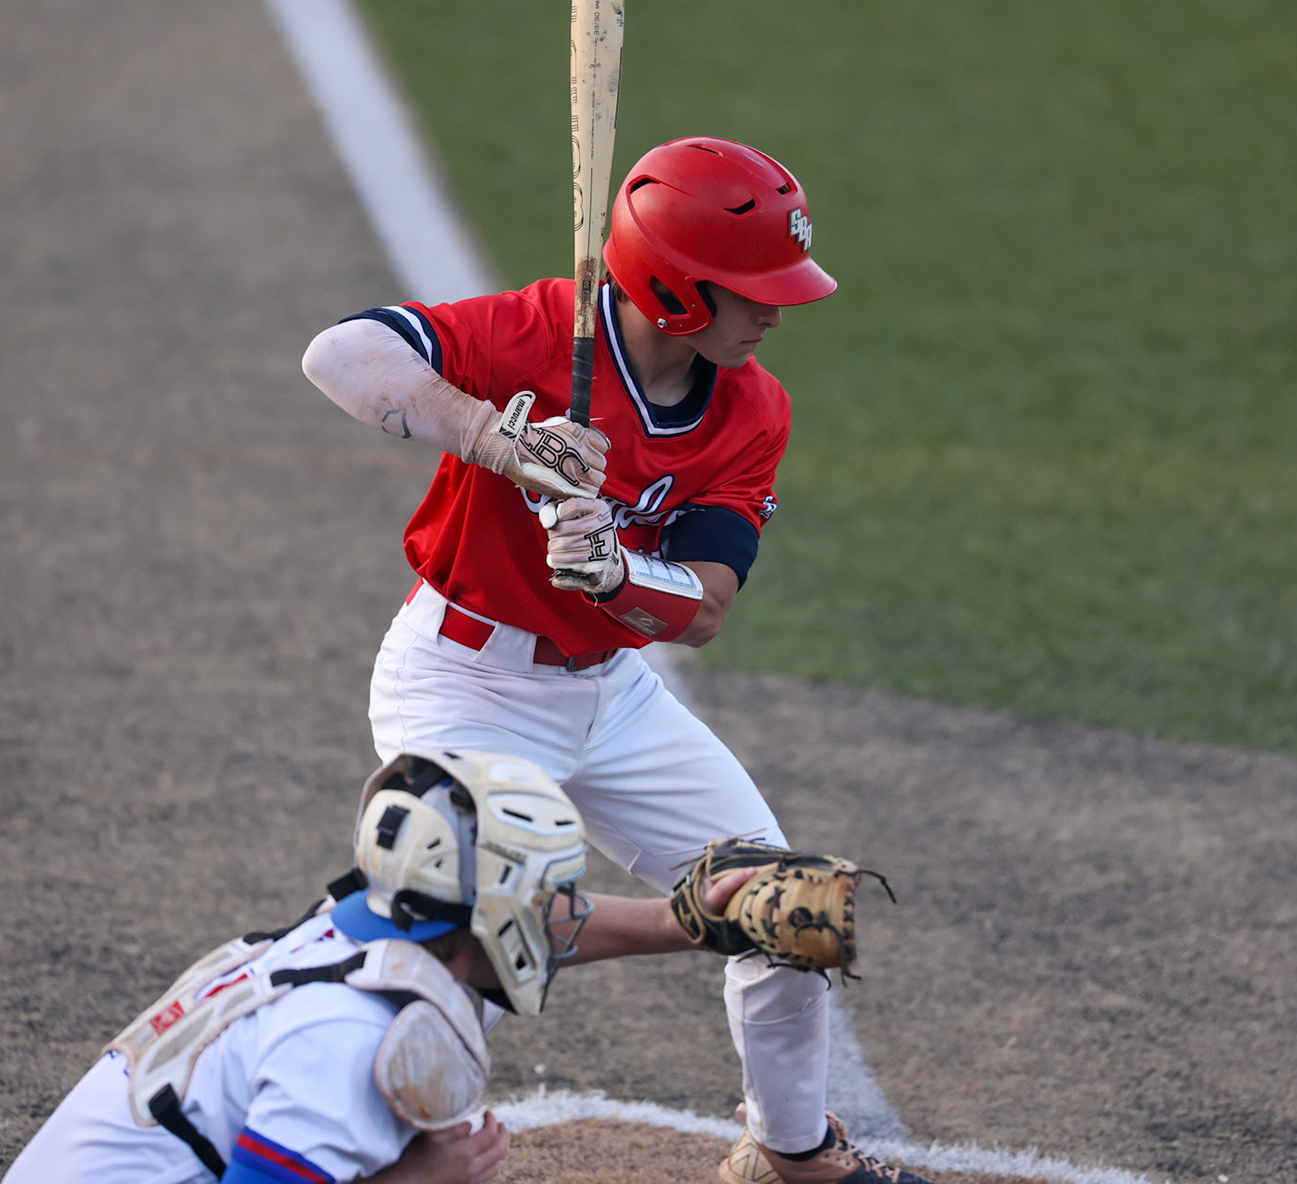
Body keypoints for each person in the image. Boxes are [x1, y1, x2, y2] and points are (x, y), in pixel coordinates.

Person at [301, 137, 932, 1184]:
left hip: (615, 693)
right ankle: (383, 1159)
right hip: (465, 678)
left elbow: (707, 610)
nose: (777, 313)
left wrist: (616, 577)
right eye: (753, 292)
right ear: (675, 289)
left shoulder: (751, 408)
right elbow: (340, 356)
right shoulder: (534, 332)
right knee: (451, 940)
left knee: (791, 908)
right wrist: (501, 440)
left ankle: (792, 1151)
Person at [2, 749, 756, 1184]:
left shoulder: (341, 937)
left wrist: (682, 923)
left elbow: (502, 925)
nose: (557, 907)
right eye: (545, 890)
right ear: (490, 910)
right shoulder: (349, 1036)